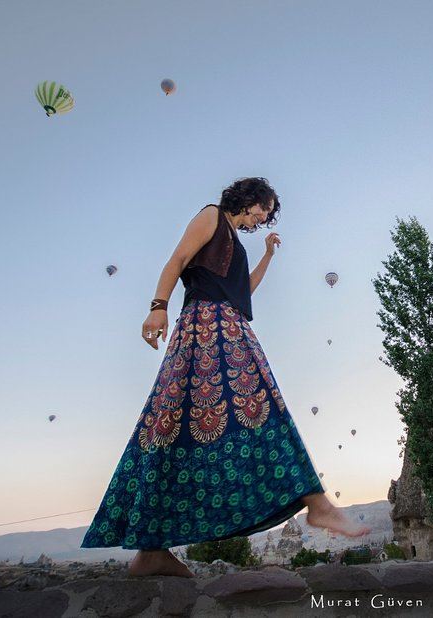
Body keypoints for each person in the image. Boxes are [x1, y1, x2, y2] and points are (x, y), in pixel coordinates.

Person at [80, 177, 368, 578]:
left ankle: (150, 551)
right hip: (207, 326)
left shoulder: (237, 241)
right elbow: (177, 260)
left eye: (268, 214)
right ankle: (318, 505)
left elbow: (243, 292)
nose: (264, 216)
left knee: (169, 426)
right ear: (248, 198)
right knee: (261, 406)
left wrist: (267, 255)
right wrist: (157, 306)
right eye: (263, 208)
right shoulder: (211, 216)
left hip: (225, 322)